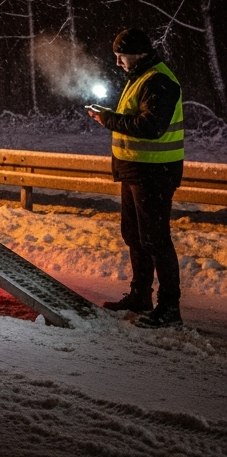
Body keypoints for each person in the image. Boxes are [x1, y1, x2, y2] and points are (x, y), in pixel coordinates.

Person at [88, 27, 185, 328]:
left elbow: (150, 126)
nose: (118, 63)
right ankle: (140, 296)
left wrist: (108, 119)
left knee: (156, 240)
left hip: (155, 173)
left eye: (122, 57)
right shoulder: (140, 78)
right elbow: (135, 119)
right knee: (135, 237)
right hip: (137, 171)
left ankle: (170, 308)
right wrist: (109, 115)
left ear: (139, 54)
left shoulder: (159, 81)